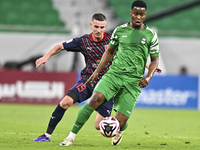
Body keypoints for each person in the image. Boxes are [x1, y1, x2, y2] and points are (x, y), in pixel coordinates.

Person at [65, 0, 159, 146]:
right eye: (136, 14)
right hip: (114, 74)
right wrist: (97, 71)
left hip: (133, 81)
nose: (138, 17)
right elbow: (109, 51)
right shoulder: (120, 30)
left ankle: (120, 130)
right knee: (94, 99)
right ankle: (70, 137)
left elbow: (155, 59)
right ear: (131, 13)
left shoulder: (151, 35)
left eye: (141, 14)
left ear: (145, 15)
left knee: (120, 123)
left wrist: (148, 76)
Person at [33, 13, 115, 143]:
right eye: (96, 27)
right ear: (91, 25)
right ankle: (46, 135)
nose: (99, 30)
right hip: (88, 81)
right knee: (65, 102)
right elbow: (60, 46)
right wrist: (46, 57)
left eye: (102, 27)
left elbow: (130, 52)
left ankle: (119, 128)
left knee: (98, 125)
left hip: (107, 85)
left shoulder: (113, 40)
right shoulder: (83, 41)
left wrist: (145, 64)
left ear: (105, 26)